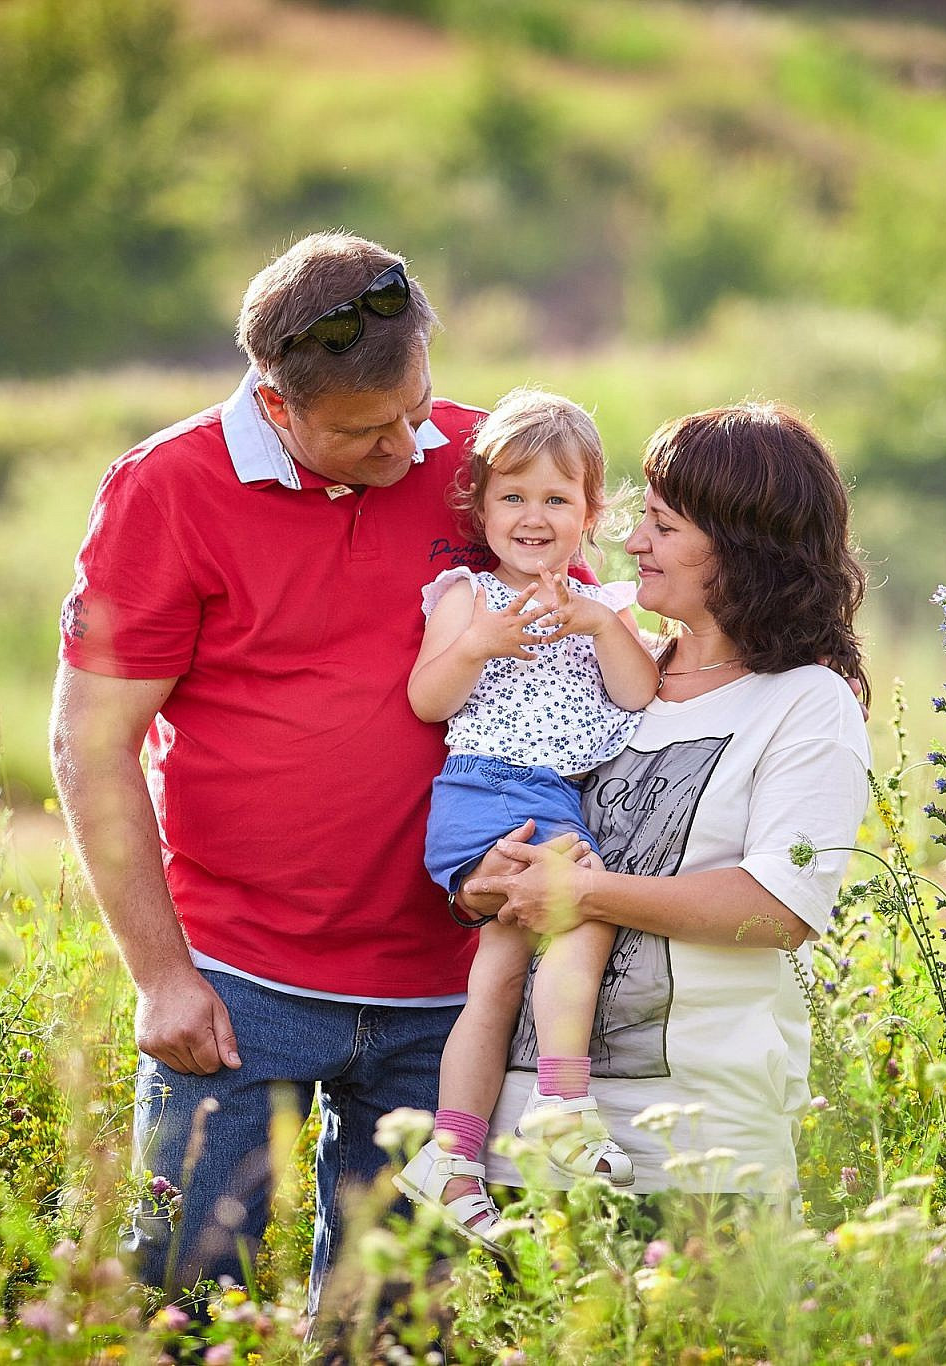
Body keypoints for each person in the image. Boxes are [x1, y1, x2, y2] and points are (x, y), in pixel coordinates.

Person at [48, 232, 573, 1307]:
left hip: (447, 998)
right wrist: (159, 976)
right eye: (364, 432)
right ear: (275, 404)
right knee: (174, 1297)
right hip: (237, 987)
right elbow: (88, 743)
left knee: (395, 1325)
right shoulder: (164, 489)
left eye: (417, 406)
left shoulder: (488, 461)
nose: (408, 446)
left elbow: (588, 653)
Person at [461, 402, 873, 1202]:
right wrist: (486, 886)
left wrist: (581, 892)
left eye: (664, 524)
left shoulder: (805, 702)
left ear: (746, 545)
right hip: (526, 1147)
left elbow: (779, 910)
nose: (634, 542)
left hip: (696, 1155)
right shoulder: (612, 670)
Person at [391, 390, 659, 1253]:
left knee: (495, 983)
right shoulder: (467, 595)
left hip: (548, 800)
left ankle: (454, 1156)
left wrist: (599, 622)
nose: (533, 516)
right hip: (489, 794)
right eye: (513, 496)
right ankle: (562, 1107)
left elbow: (636, 692)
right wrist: (476, 647)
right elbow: (426, 698)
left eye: (556, 499)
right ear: (480, 506)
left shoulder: (601, 603)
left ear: (592, 511)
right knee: (586, 912)